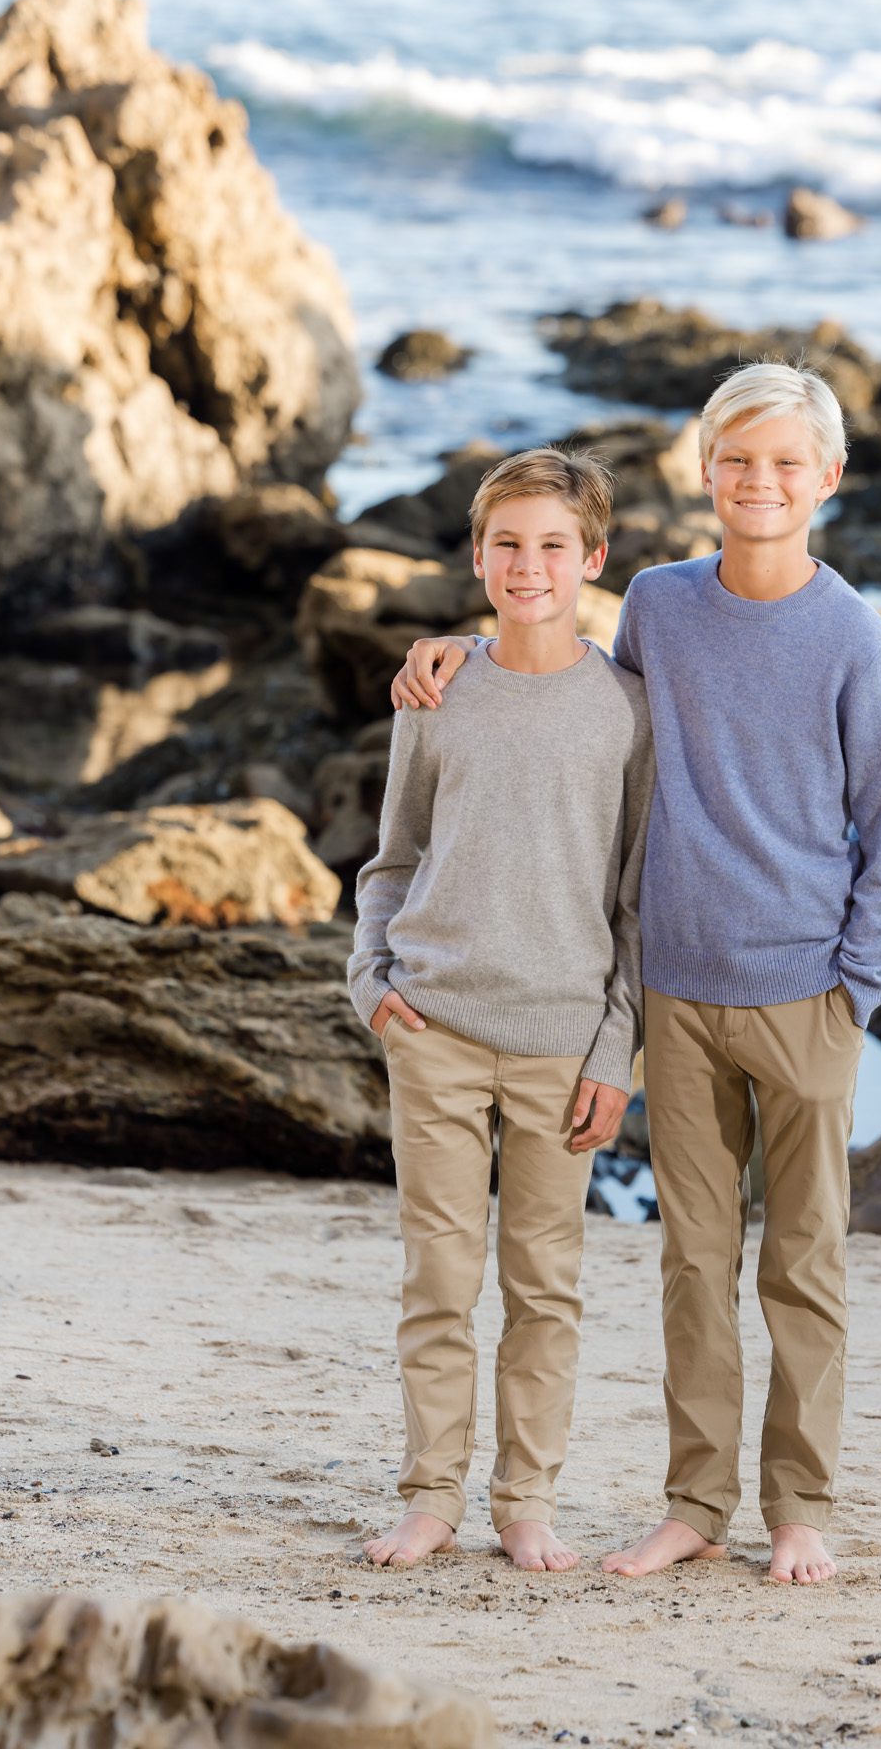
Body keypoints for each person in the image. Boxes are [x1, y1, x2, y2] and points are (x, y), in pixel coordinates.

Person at [391, 363, 881, 1585]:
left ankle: (801, 1503)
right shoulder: (661, 608)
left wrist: (858, 990)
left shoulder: (854, 634)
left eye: (787, 462)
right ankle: (697, 1502)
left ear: (827, 478)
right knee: (693, 1261)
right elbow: (558, 678)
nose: (760, 481)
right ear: (704, 471)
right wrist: (450, 650)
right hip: (673, 996)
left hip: (808, 995)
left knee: (803, 1260)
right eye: (739, 459)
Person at [349, 445, 654, 1573]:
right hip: (430, 1029)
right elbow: (392, 860)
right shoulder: (435, 692)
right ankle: (430, 1492)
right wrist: (371, 983)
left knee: (544, 1283)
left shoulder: (628, 711)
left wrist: (614, 1050)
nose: (530, 564)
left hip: (561, 1046)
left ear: (594, 559)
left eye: (553, 545)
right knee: (437, 1275)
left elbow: (634, 904)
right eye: (509, 543)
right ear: (478, 556)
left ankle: (525, 1498)